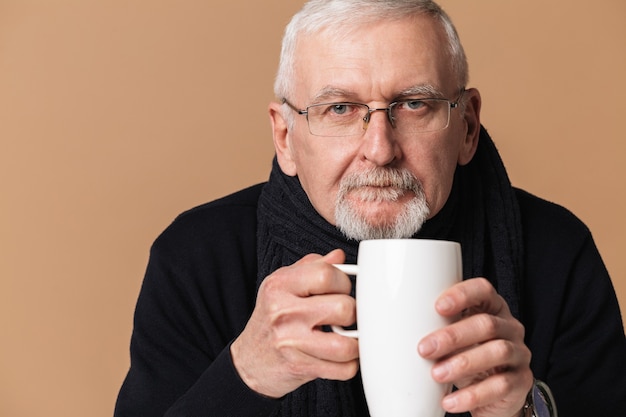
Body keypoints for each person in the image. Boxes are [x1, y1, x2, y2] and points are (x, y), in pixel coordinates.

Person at [114, 1, 626, 416]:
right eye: (340, 109)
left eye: (414, 104)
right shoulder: (196, 256)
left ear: (467, 126)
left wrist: (527, 409)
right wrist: (243, 375)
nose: (380, 149)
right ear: (284, 136)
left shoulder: (557, 250)